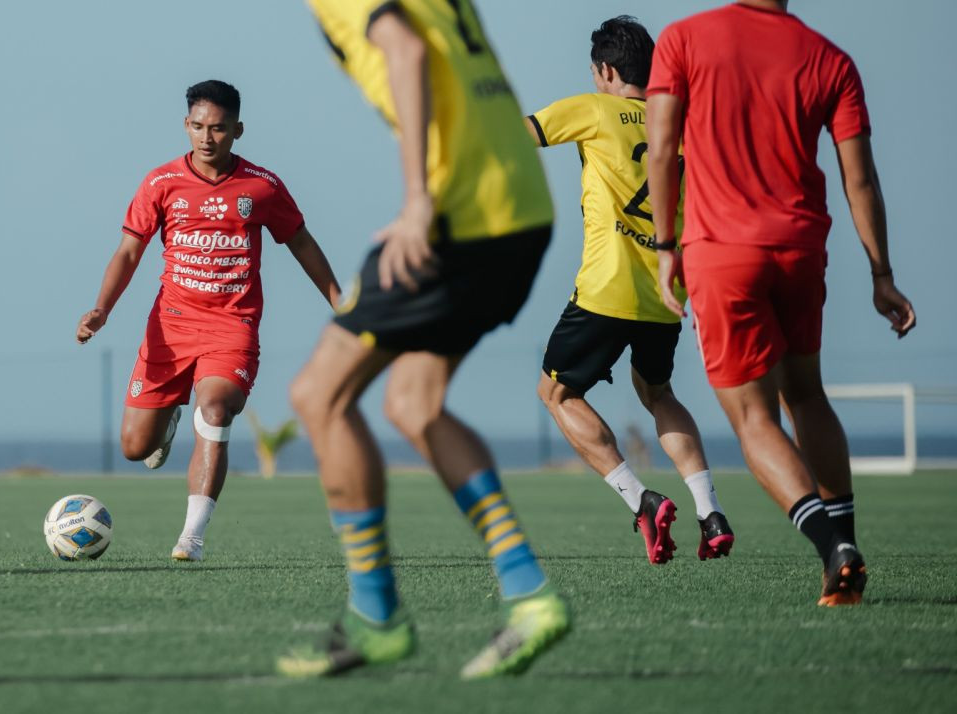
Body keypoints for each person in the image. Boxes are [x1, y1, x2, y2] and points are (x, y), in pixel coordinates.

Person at [277, 0, 568, 680]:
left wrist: (418, 201)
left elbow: (406, 53)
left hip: (458, 221)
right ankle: (530, 596)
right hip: (522, 211)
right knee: (414, 401)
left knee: (318, 396)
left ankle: (376, 616)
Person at [645, 0, 916, 605]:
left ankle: (831, 548)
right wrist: (882, 275)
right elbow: (860, 178)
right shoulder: (830, 59)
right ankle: (844, 538)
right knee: (807, 394)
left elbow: (661, 149)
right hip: (798, 249)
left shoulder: (684, 39)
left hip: (721, 254)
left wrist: (666, 248)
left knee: (754, 418)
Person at [75, 80, 340, 562]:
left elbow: (301, 242)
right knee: (135, 448)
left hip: (231, 328)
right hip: (170, 329)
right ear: (186, 126)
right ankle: (171, 415)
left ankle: (191, 537)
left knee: (216, 412)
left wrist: (339, 300)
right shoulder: (160, 183)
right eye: (197, 127)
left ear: (237, 130)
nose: (206, 137)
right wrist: (102, 309)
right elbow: (129, 250)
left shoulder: (262, 185)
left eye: (218, 128)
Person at [525, 16, 734, 566]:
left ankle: (641, 500)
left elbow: (516, 136)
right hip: (669, 292)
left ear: (607, 70)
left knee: (557, 394)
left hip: (605, 289)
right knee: (659, 392)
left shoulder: (594, 109)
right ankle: (710, 512)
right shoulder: (681, 121)